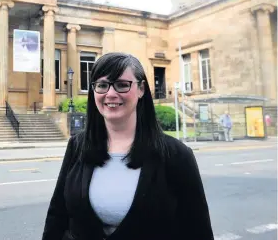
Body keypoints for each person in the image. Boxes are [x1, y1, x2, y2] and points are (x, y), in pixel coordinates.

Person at [42, 52, 214, 240]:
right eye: (102, 85)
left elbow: (197, 229)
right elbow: (57, 217)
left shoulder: (177, 155)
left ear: (141, 89)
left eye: (122, 85)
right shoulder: (77, 146)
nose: (111, 93)